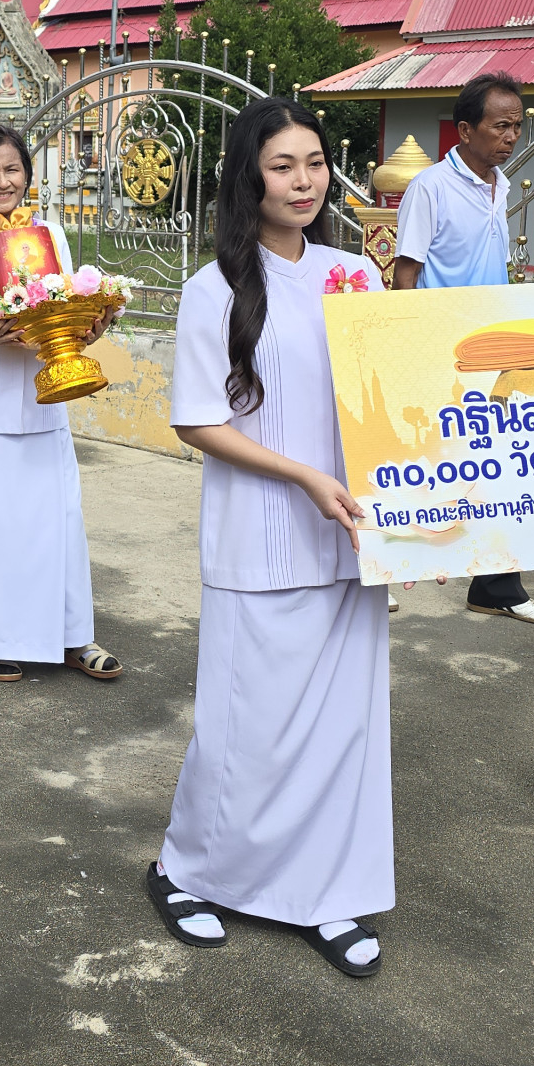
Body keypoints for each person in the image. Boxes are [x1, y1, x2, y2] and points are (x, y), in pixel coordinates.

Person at [146, 97, 393, 976]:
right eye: (283, 165)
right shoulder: (213, 286)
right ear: (249, 174)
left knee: (339, 730)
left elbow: (393, 396)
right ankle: (188, 871)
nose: (302, 180)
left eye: (316, 163)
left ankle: (324, 894)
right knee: (247, 725)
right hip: (260, 533)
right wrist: (302, 477)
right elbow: (196, 421)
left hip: (353, 535)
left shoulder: (352, 275)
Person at [0, 124, 120, 684]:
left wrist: (92, 324)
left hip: (40, 402)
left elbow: (59, 311)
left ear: (28, 175)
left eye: (11, 169)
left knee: (57, 523)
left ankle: (73, 636)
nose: (2, 181)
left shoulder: (48, 232)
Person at [391, 71, 534, 625]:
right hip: (440, 345)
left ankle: (496, 586)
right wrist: (412, 346)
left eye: (518, 125)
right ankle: (382, 574)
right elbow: (406, 271)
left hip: (492, 343)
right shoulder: (430, 188)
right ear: (465, 130)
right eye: (501, 126)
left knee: (501, 466)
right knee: (416, 464)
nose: (511, 136)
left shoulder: (501, 182)